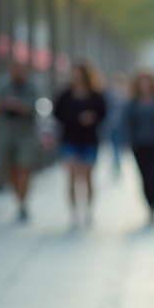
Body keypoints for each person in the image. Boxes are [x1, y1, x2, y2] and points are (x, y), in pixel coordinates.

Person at [53, 61, 107, 228]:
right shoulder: (65, 95)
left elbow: (103, 113)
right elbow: (57, 114)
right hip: (70, 139)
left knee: (88, 177)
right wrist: (76, 118)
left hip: (89, 140)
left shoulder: (96, 95)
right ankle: (74, 212)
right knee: (72, 176)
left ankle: (88, 209)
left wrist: (92, 118)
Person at [122, 70, 154, 222]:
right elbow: (127, 123)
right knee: (144, 177)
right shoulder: (133, 103)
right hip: (139, 145)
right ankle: (148, 204)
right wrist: (127, 141)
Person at [0, 61, 38, 222]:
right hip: (7, 134)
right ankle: (19, 200)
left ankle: (23, 203)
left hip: (25, 134)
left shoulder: (30, 87)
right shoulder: (2, 86)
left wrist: (17, 105)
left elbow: (33, 109)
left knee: (24, 167)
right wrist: (2, 104)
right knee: (11, 169)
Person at [105, 72, 129, 176]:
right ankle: (116, 162)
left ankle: (117, 161)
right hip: (112, 125)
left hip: (121, 125)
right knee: (115, 145)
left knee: (118, 145)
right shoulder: (109, 94)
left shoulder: (126, 94)